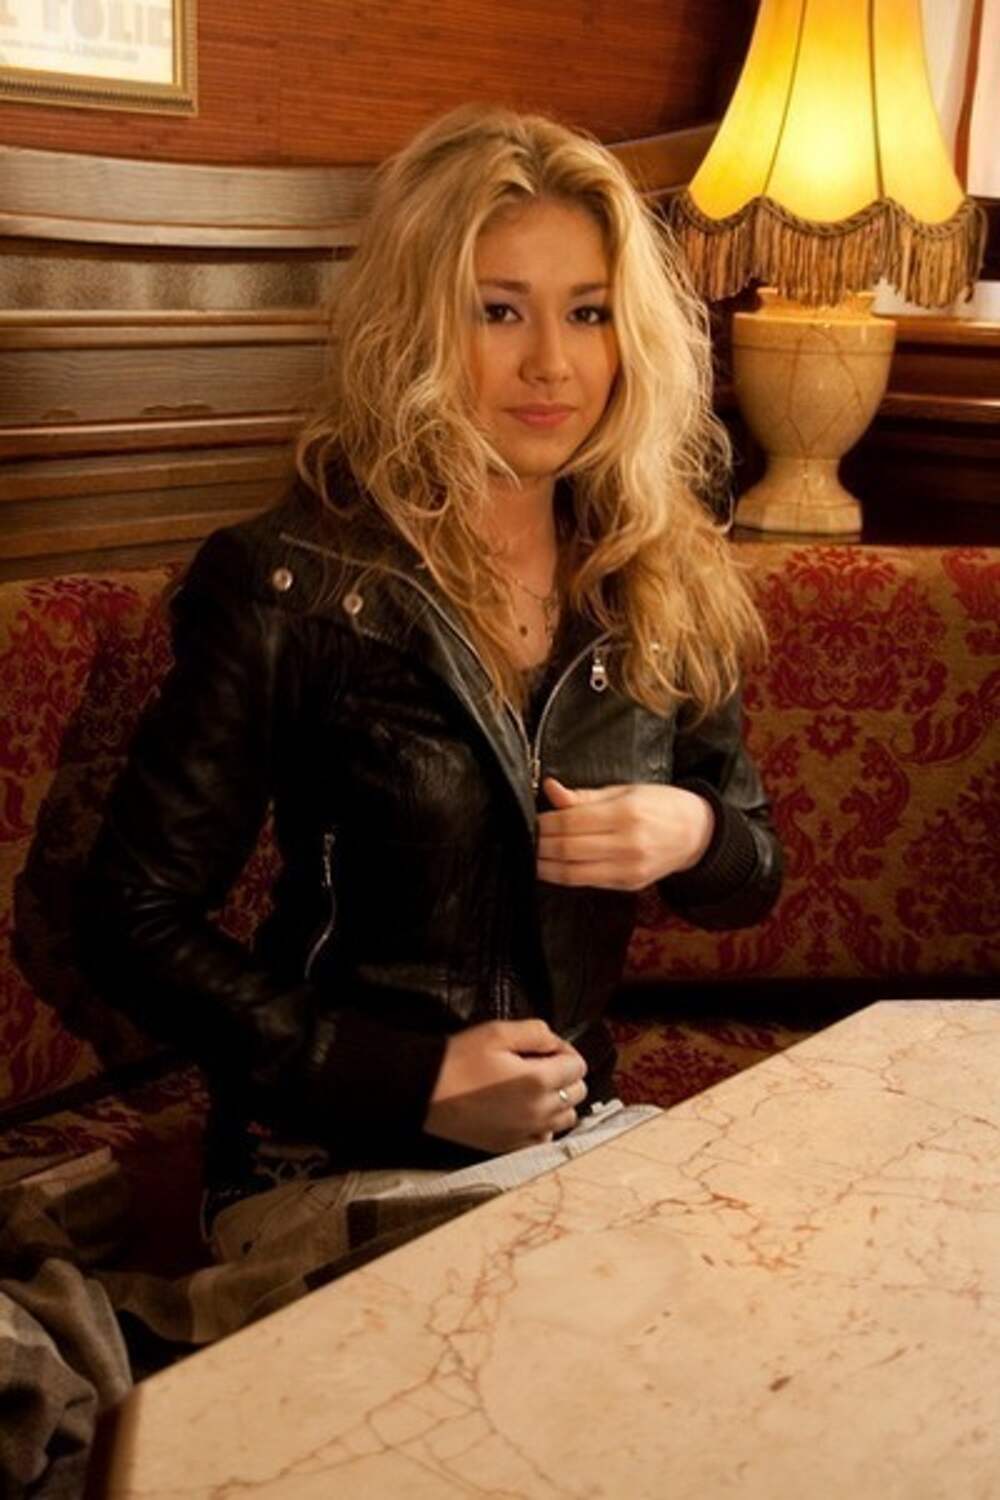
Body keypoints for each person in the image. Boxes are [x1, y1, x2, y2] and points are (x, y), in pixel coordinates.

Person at [79, 106, 782, 1315]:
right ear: (416, 325)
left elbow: (751, 873)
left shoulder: (655, 570)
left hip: (572, 1140)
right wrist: (407, 1077)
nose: (552, 364)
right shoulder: (288, 581)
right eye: (498, 311)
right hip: (328, 1156)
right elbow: (127, 919)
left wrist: (693, 831)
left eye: (588, 312)